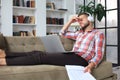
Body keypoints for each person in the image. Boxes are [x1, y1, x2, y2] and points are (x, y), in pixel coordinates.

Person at [0, 13, 105, 73]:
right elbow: (62, 33)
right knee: (36, 52)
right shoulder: (79, 33)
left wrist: (90, 66)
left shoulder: (98, 34)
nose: (80, 22)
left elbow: (99, 54)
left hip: (81, 59)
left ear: (90, 20)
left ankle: (3, 62)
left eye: (82, 19)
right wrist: (70, 22)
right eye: (79, 20)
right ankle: (5, 54)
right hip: (72, 55)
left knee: (40, 57)